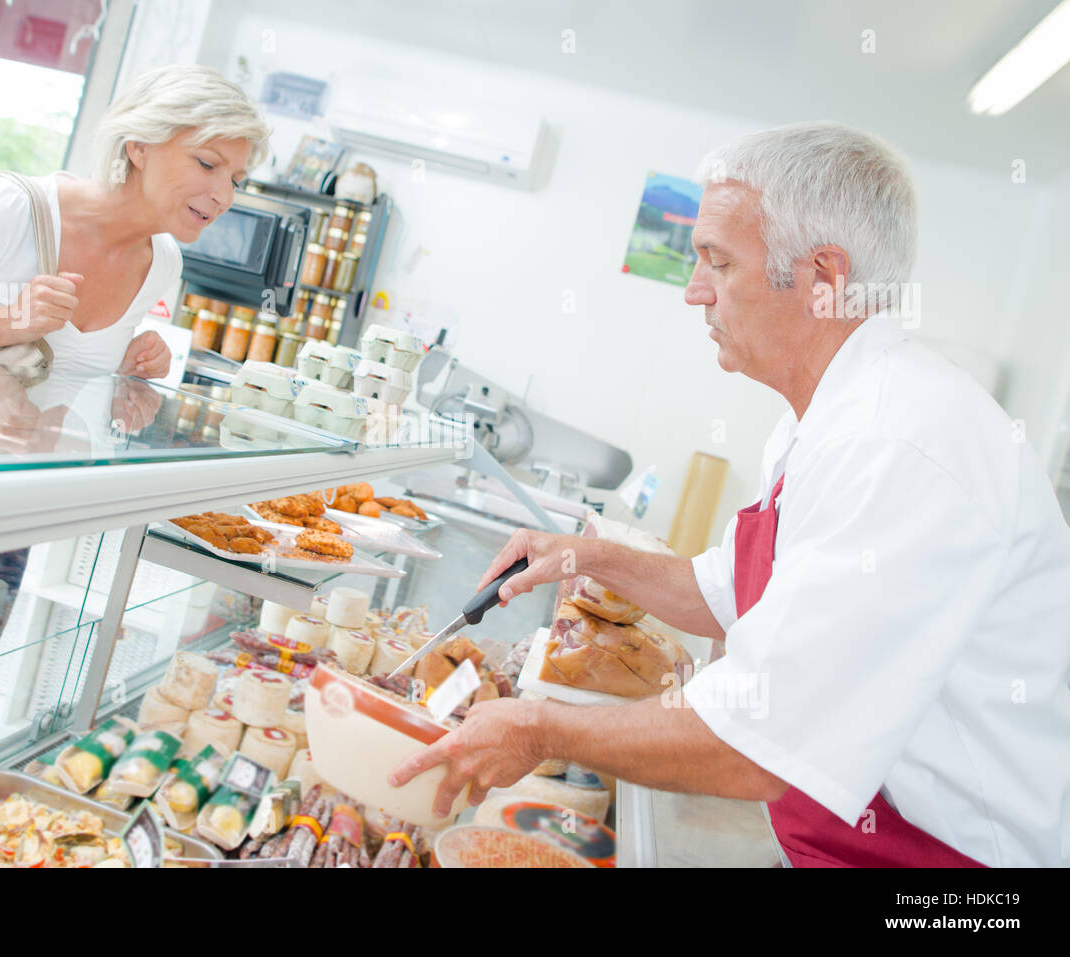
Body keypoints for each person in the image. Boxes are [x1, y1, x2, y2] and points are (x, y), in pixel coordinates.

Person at [391, 122, 1070, 867]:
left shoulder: (899, 444)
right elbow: (722, 593)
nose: (693, 291)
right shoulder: (822, 421)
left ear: (824, 277)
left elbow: (760, 737)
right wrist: (583, 554)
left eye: (718, 261)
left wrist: (537, 725)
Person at [0, 65, 270, 377]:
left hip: (21, 504)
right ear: (139, 147)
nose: (224, 196)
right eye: (208, 164)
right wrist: (9, 323)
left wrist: (126, 375)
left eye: (236, 178)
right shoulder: (7, 209)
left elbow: (57, 383)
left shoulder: (163, 262)